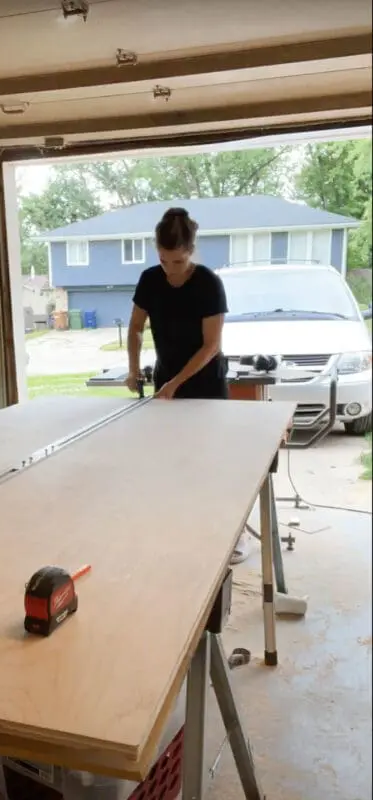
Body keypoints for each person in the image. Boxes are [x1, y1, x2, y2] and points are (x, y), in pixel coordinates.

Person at [126, 206, 250, 563]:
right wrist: (133, 369)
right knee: (170, 463)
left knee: (211, 463)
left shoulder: (208, 283)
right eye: (164, 261)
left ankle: (234, 535)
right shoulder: (150, 280)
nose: (170, 270)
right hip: (167, 382)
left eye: (177, 262)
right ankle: (178, 531)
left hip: (205, 385)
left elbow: (211, 345)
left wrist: (176, 383)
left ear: (191, 253)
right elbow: (135, 328)